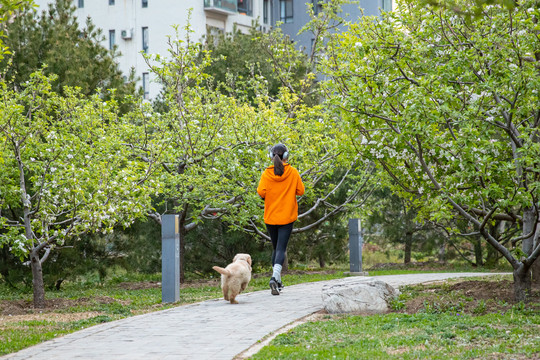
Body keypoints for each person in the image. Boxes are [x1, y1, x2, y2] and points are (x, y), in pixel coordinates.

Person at [257, 143, 305, 295]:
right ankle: (274, 277)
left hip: (271, 217)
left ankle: (277, 282)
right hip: (286, 216)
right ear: (286, 156)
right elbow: (301, 191)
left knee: (276, 248)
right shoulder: (293, 172)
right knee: (281, 249)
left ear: (271, 156)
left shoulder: (266, 173)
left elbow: (261, 192)